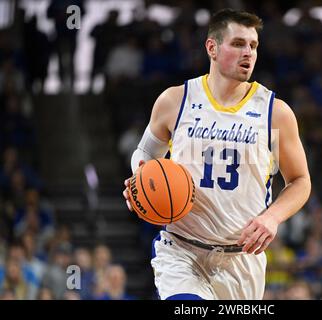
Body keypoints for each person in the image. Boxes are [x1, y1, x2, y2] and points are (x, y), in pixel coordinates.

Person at [122, 8, 311, 300]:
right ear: (212, 47)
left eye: (253, 45)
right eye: (238, 43)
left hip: (242, 258)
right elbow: (145, 152)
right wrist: (140, 180)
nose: (248, 52)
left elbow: (300, 181)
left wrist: (272, 218)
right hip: (182, 249)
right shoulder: (176, 100)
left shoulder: (275, 113)